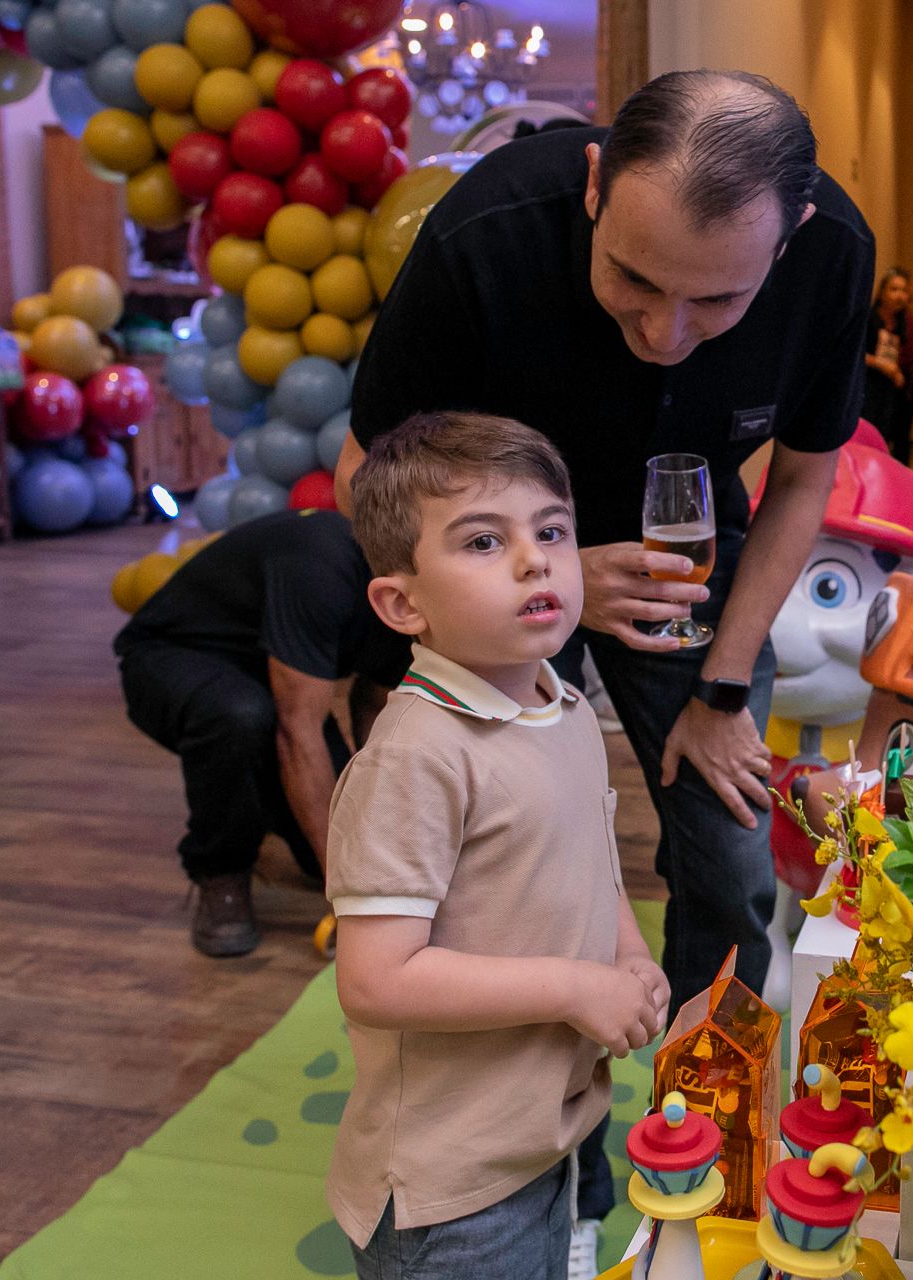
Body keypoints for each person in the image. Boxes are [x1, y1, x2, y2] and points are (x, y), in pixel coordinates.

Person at [335, 70, 871, 1019]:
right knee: (505, 860)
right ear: (594, 184)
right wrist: (560, 571)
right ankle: (525, 1079)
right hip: (503, 560)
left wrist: (722, 690)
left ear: (789, 238)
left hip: (686, 567)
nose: (665, 334)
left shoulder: (834, 255)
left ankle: (705, 1090)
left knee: (731, 860)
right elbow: (363, 476)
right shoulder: (485, 231)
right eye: (634, 279)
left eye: (716, 301)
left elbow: (800, 482)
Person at [325, 412, 665, 1279]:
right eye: (483, 542)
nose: (534, 561)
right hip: (449, 1186)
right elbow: (375, 978)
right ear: (403, 604)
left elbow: (589, 860)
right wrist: (574, 986)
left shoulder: (563, 707)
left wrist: (627, 955)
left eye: (551, 531)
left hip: (541, 1139)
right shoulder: (416, 757)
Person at [114, 508, 410, 956]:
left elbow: (374, 710)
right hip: (173, 656)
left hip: (269, 677)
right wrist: (349, 898)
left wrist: (376, 838)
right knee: (240, 716)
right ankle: (221, 871)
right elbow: (299, 733)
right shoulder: (320, 568)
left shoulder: (416, 602)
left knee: (335, 849)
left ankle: (260, 803)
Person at [861, 266, 913, 464]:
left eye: (903, 290)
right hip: (868, 386)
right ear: (882, 292)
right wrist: (882, 365)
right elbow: (855, 354)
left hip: (890, 389)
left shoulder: (903, 322)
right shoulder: (869, 318)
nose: (899, 295)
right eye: (894, 289)